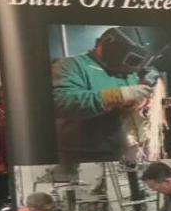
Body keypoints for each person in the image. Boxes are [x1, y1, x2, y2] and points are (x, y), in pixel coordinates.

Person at [53, 27, 155, 164]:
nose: (129, 66)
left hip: (122, 150)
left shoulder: (127, 71)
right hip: (84, 155)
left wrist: (134, 103)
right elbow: (61, 101)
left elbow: (127, 102)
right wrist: (117, 96)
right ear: (107, 45)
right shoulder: (71, 65)